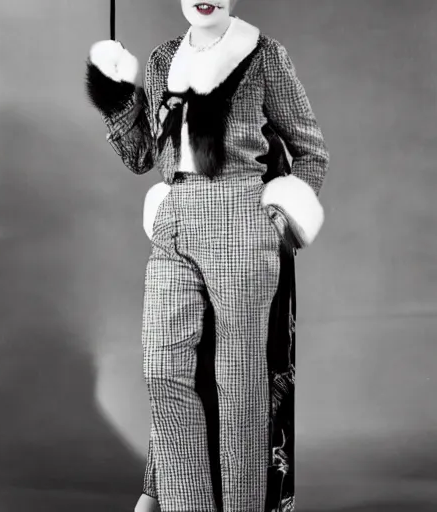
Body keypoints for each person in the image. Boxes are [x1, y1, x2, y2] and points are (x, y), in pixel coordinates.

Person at [85, 1, 329, 511]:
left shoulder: (263, 55)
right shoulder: (162, 59)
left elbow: (310, 150)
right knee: (164, 369)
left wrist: (280, 218)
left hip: (241, 212)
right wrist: (116, 92)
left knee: (239, 387)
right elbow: (141, 158)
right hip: (174, 216)